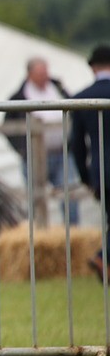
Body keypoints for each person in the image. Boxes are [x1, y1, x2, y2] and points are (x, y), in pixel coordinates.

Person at [5, 57, 78, 223]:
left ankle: (73, 232)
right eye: (40, 73)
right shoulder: (18, 96)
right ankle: (38, 234)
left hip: (62, 153)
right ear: (30, 74)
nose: (45, 76)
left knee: (70, 196)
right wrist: (22, 149)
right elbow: (8, 126)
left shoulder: (59, 89)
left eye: (46, 72)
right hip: (34, 157)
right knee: (35, 200)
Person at [69, 44, 110, 279]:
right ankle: (103, 257)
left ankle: (104, 259)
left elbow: (76, 144)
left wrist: (86, 176)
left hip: (101, 170)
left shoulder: (81, 98)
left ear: (93, 68)